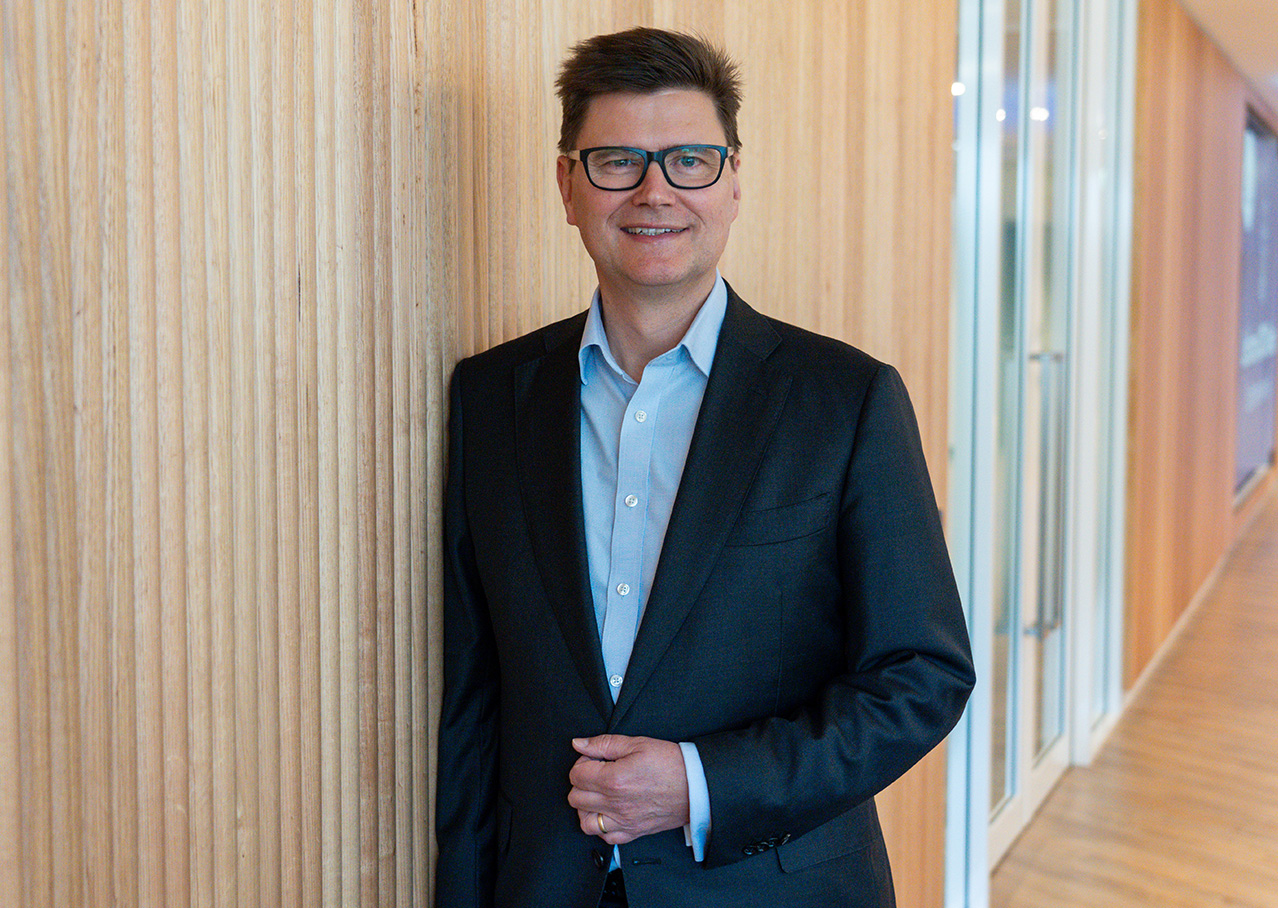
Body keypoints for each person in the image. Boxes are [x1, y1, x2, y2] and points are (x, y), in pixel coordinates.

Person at [435, 26, 974, 908]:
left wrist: (700, 783)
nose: (655, 192)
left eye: (689, 160)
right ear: (567, 185)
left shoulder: (846, 399)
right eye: (617, 160)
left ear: (732, 182)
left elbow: (921, 676)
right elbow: (473, 700)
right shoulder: (491, 398)